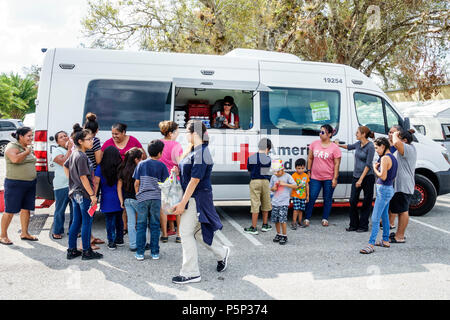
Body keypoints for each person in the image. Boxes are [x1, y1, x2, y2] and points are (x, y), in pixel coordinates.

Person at [171, 120, 230, 284]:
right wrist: (178, 170)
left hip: (197, 198)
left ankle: (191, 273)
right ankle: (221, 253)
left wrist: (182, 203)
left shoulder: (201, 152)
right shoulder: (194, 150)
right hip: (193, 197)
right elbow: (189, 173)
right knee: (199, 232)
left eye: (187, 132)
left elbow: (195, 180)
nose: (185, 135)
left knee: (185, 233)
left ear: (195, 134)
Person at [64, 124, 103, 260]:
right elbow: (83, 177)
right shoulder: (81, 156)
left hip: (75, 193)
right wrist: (92, 195)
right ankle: (87, 251)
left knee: (77, 221)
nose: (92, 141)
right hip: (84, 193)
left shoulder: (75, 154)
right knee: (87, 222)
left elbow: (65, 165)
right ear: (80, 141)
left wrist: (72, 182)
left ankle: (72, 250)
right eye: (89, 139)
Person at [102, 122, 145, 236]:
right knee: (123, 204)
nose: (114, 136)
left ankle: (131, 226)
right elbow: (101, 158)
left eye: (117, 134)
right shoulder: (108, 143)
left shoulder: (133, 141)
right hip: (116, 176)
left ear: (124, 132)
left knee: (130, 202)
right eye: (112, 134)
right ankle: (125, 226)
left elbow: (143, 156)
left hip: (131, 177)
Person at [133, 140, 169, 261]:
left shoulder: (141, 164)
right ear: (159, 153)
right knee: (154, 225)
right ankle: (155, 253)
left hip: (143, 198)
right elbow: (165, 184)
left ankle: (140, 253)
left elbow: (136, 183)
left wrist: (138, 194)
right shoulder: (162, 166)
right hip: (156, 198)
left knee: (141, 225)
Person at [360, 137, 398, 254]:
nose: (376, 150)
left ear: (383, 146)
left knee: (375, 218)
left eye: (377, 148)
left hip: (384, 190)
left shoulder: (385, 158)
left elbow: (383, 176)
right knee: (384, 216)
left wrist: (374, 168)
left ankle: (370, 244)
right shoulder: (392, 157)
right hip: (388, 189)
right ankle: (385, 240)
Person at [0, 127, 37, 245]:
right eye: (29, 136)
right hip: (15, 184)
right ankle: (3, 235)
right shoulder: (12, 147)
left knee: (26, 209)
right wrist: (26, 152)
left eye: (32, 135)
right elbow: (15, 159)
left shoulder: (28, 147)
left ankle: (25, 233)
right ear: (20, 136)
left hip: (29, 183)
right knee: (10, 210)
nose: (31, 138)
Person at [336, 126, 375, 232]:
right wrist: (337, 145)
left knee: (366, 202)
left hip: (367, 177)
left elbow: (368, 165)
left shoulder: (370, 146)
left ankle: (363, 226)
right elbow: (349, 147)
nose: (355, 134)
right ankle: (353, 225)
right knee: (353, 201)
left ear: (363, 134)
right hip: (356, 176)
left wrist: (361, 180)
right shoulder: (358, 144)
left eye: (357, 132)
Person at [303, 124, 342, 227]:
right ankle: (307, 217)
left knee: (328, 198)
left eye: (323, 132)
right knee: (311, 197)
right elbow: (310, 158)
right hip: (315, 177)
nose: (320, 134)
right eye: (320, 132)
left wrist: (335, 178)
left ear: (329, 134)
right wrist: (308, 171)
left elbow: (337, 164)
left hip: (329, 178)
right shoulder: (314, 144)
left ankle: (325, 218)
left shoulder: (335, 148)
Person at [389, 128, 417, 244]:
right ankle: (398, 234)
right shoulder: (406, 147)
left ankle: (400, 236)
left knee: (403, 210)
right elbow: (392, 146)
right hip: (402, 184)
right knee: (400, 210)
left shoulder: (408, 148)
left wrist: (395, 133)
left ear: (404, 140)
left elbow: (395, 143)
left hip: (404, 184)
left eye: (399, 138)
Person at [94, 146, 124, 250]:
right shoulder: (120, 166)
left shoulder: (100, 167)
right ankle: (120, 239)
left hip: (106, 199)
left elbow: (96, 182)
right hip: (119, 197)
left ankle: (111, 242)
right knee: (119, 220)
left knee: (109, 221)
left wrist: (94, 195)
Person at [159, 120, 183, 243]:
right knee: (177, 206)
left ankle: (164, 235)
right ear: (170, 133)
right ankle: (179, 234)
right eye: (177, 131)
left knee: (163, 208)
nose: (178, 133)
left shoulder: (158, 143)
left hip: (162, 179)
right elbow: (179, 163)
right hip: (174, 178)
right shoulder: (176, 145)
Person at [83, 112, 105, 248]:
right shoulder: (94, 141)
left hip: (81, 175)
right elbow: (98, 160)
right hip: (91, 176)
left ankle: (88, 236)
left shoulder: (80, 138)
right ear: (97, 130)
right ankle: (88, 240)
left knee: (84, 207)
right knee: (91, 206)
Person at [118, 147, 145, 251]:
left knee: (130, 223)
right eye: (141, 159)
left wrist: (121, 200)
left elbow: (119, 187)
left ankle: (133, 245)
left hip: (126, 200)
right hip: (137, 199)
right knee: (142, 222)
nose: (142, 161)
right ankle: (142, 243)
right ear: (136, 160)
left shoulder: (122, 168)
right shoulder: (139, 169)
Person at [244, 138, 273, 235]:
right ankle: (265, 225)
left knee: (255, 204)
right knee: (266, 203)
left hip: (255, 181)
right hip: (265, 182)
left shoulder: (251, 158)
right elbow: (268, 171)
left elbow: (249, 170)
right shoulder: (268, 159)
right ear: (268, 148)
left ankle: (254, 227)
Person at [51, 131, 74, 239]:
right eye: (61, 137)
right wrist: (69, 149)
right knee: (60, 209)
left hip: (74, 184)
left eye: (65, 136)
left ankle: (74, 230)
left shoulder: (74, 149)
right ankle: (57, 230)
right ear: (57, 141)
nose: (64, 138)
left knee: (75, 209)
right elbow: (64, 162)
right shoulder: (57, 150)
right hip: (62, 185)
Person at [270, 160, 298, 245]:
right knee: (276, 219)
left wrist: (284, 184)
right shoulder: (273, 177)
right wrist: (273, 189)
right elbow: (270, 188)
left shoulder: (287, 176)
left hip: (284, 202)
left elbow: (295, 186)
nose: (276, 173)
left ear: (283, 169)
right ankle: (278, 234)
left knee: (283, 220)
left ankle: (284, 235)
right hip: (275, 202)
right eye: (275, 172)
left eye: (278, 171)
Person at [290, 158, 310, 229]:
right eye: (298, 168)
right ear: (295, 168)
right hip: (296, 195)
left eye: (302, 168)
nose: (300, 170)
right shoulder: (294, 176)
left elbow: (307, 185)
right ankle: (294, 222)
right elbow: (292, 186)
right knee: (296, 209)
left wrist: (307, 195)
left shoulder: (306, 176)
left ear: (304, 168)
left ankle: (299, 222)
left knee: (301, 210)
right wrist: (299, 186)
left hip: (303, 196)